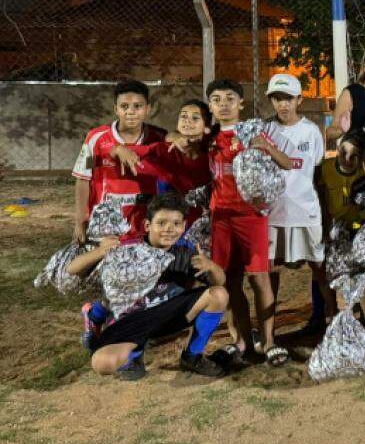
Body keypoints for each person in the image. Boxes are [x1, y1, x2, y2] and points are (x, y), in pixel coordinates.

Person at [68, 192, 229, 379]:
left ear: (184, 226)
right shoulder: (130, 248)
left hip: (168, 315)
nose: (169, 229)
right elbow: (73, 269)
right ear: (147, 225)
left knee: (219, 295)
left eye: (176, 223)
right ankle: (133, 354)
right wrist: (101, 251)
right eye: (161, 223)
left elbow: (220, 282)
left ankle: (192, 356)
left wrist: (210, 266)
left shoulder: (187, 251)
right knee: (102, 363)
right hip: (132, 320)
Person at [204, 79, 293, 369]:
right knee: (228, 280)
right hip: (220, 218)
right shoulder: (207, 137)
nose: (224, 104)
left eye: (230, 98)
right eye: (217, 99)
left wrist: (266, 148)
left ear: (241, 103)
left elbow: (287, 163)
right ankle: (241, 339)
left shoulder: (256, 130)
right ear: (210, 106)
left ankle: (269, 341)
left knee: (259, 277)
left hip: (251, 215)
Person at [263, 73, 325, 363]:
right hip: (272, 213)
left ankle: (331, 328)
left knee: (320, 269)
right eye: (277, 98)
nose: (283, 104)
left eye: (288, 98)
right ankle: (269, 336)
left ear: (299, 99)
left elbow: (315, 167)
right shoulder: (263, 131)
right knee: (270, 274)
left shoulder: (311, 131)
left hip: (305, 210)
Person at [72, 80, 168, 243]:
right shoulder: (95, 138)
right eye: (124, 106)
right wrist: (81, 220)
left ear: (148, 109)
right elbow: (83, 179)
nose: (130, 112)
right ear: (115, 109)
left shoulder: (159, 138)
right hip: (105, 224)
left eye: (137, 106)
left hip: (144, 224)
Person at [109, 98, 213, 222]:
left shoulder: (213, 155)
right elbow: (115, 152)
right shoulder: (164, 150)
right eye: (183, 116)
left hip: (206, 226)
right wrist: (119, 149)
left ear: (206, 128)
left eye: (195, 118)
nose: (187, 121)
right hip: (172, 228)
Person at [309, 129, 365, 331]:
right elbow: (318, 196)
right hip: (330, 227)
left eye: (354, 156)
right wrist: (324, 226)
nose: (347, 159)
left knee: (357, 271)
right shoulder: (324, 168)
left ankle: (361, 313)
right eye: (344, 152)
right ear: (337, 148)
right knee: (322, 270)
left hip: (356, 230)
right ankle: (323, 313)